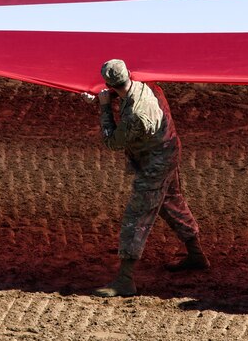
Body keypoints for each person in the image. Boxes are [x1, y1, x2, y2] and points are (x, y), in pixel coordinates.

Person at [88, 59, 206, 298]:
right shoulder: (150, 86)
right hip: (169, 149)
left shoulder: (135, 116)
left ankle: (125, 279)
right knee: (171, 201)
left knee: (137, 215)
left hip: (155, 163)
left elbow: (112, 141)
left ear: (109, 85)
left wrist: (103, 108)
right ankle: (196, 255)